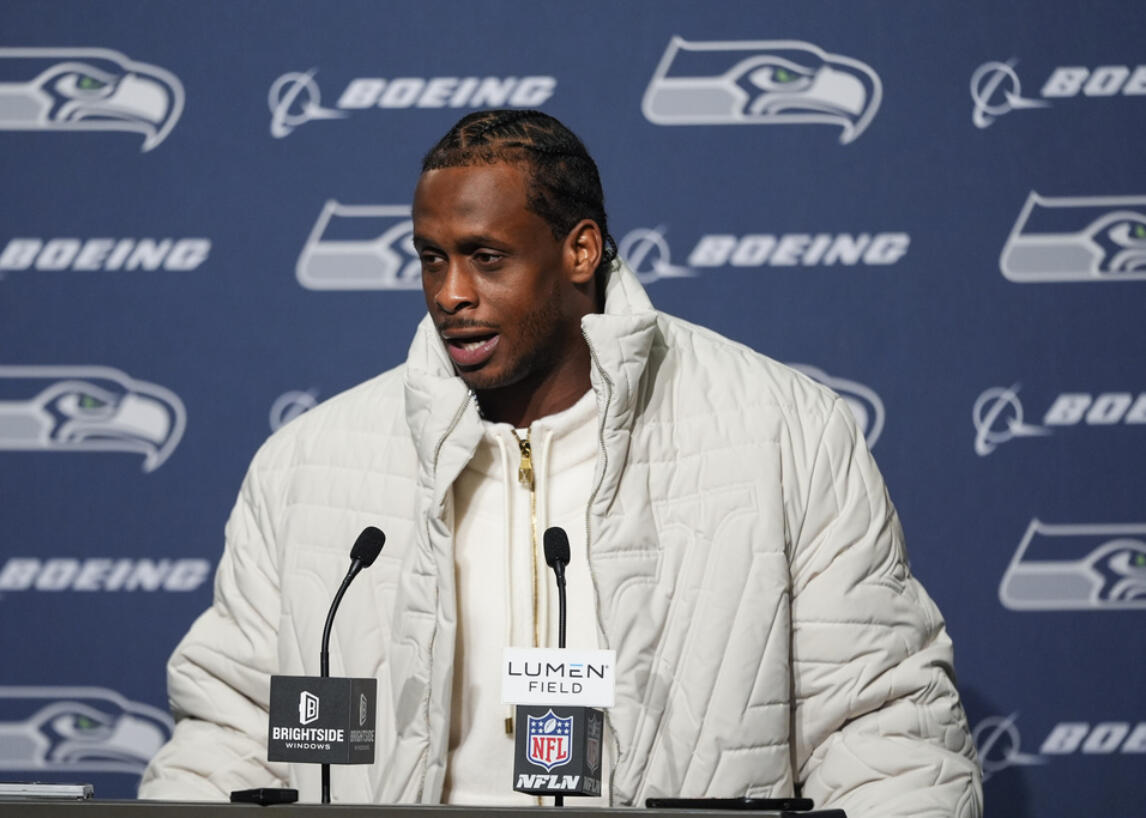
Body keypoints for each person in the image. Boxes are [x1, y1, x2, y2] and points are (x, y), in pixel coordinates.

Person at [140, 110, 982, 816]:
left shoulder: (782, 433)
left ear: (580, 253)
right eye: (431, 258)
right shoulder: (310, 466)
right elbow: (231, 734)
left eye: (486, 257)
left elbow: (882, 728)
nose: (450, 294)